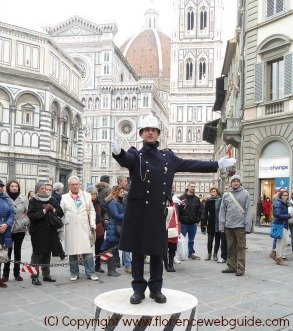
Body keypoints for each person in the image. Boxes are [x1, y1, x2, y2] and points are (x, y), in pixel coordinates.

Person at [111, 114, 236, 304]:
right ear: (142, 134)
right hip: (137, 212)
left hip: (155, 212)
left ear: (158, 134)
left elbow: (191, 164)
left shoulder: (168, 157)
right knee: (137, 252)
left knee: (156, 252)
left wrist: (216, 164)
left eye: (153, 130)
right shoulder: (136, 154)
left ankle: (156, 288)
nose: (150, 133)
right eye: (146, 130)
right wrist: (118, 152)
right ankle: (138, 288)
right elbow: (125, 159)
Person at [60, 176, 99, 281]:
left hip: (84, 226)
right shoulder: (64, 197)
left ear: (79, 185)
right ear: (69, 186)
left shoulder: (87, 196)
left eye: (76, 184)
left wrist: (92, 225)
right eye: (72, 184)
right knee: (72, 251)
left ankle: (91, 272)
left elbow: (91, 211)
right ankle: (74, 273)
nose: (75, 186)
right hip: (71, 227)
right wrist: (62, 227)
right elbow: (61, 213)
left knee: (87, 250)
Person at [27, 182, 64, 285]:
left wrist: (53, 209)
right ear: (37, 189)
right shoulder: (33, 201)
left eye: (46, 189)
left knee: (47, 252)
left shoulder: (51, 199)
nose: (44, 190)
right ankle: (34, 276)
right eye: (42, 188)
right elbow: (31, 215)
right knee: (37, 254)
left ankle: (46, 274)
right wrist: (43, 211)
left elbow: (60, 212)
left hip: (49, 231)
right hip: (37, 232)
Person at [219, 175, 252, 276]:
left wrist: (248, 226)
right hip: (229, 226)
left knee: (241, 247)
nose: (236, 183)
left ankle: (240, 268)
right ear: (231, 183)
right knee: (230, 247)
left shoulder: (245, 193)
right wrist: (221, 225)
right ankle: (231, 266)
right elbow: (222, 211)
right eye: (234, 181)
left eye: (238, 181)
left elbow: (248, 211)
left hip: (240, 226)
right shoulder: (226, 195)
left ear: (240, 182)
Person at [3, 180, 28, 282]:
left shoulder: (24, 199)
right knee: (7, 252)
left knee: (18, 251)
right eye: (12, 186)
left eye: (16, 186)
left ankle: (17, 273)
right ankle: (5, 274)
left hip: (19, 228)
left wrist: (25, 221)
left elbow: (28, 212)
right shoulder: (4, 198)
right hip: (8, 228)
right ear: (8, 187)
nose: (14, 188)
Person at [102, 186, 125, 277]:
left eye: (123, 192)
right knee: (111, 249)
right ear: (116, 192)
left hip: (117, 227)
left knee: (114, 249)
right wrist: (127, 213)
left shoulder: (119, 202)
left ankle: (113, 269)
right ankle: (111, 270)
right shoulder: (113, 203)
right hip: (114, 227)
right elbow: (116, 215)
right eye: (121, 192)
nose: (123, 193)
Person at [178, 182, 202, 260]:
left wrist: (197, 221)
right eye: (191, 186)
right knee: (181, 240)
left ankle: (191, 253)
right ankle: (181, 254)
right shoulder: (181, 197)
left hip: (193, 224)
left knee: (191, 240)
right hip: (183, 224)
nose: (193, 188)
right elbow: (178, 210)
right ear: (187, 187)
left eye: (194, 187)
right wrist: (179, 220)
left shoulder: (197, 199)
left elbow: (200, 211)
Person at [271, 190, 293, 266]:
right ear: (281, 195)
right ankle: (279, 258)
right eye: (284, 195)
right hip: (280, 225)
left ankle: (274, 252)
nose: (285, 197)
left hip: (284, 224)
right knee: (280, 242)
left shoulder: (284, 203)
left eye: (287, 195)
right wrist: (289, 215)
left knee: (287, 241)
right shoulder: (278, 203)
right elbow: (277, 215)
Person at [88, 188, 107, 273]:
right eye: (92, 194)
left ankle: (98, 265)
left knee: (99, 249)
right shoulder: (86, 204)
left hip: (99, 227)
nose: (94, 196)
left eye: (95, 194)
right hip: (89, 228)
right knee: (88, 248)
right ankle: (88, 266)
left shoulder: (100, 203)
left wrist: (105, 219)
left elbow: (104, 212)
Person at [0, 180, 15, 288]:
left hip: (5, 231)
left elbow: (12, 213)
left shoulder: (7, 199)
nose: (0, 188)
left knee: (1, 255)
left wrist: (6, 224)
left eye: (1, 186)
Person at [117, 175, 132, 274]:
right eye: (125, 181)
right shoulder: (116, 199)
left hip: (126, 222)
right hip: (121, 223)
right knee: (125, 244)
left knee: (126, 244)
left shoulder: (127, 194)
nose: (126, 182)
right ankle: (127, 264)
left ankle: (125, 262)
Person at [203, 187, 222, 261]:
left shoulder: (220, 200)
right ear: (210, 193)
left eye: (214, 191)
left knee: (217, 240)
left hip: (218, 222)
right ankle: (209, 254)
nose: (213, 193)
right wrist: (204, 222)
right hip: (210, 222)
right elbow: (205, 212)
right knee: (210, 240)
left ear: (217, 192)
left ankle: (215, 255)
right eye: (212, 192)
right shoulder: (208, 201)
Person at [50, 182, 66, 260]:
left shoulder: (55, 196)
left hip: (53, 218)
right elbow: (59, 210)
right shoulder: (56, 197)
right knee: (56, 236)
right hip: (54, 219)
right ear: (59, 189)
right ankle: (61, 253)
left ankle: (56, 252)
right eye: (62, 189)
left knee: (55, 236)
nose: (62, 190)